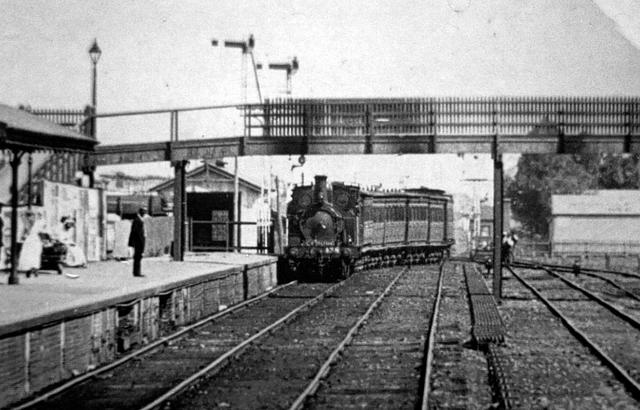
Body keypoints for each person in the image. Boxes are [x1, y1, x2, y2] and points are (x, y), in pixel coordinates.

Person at [128, 207, 147, 277]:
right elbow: (135, 232)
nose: (144, 214)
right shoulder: (137, 220)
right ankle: (136, 272)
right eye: (144, 212)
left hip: (139, 241)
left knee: (138, 257)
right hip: (138, 242)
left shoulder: (139, 220)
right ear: (141, 212)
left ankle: (137, 272)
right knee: (137, 257)